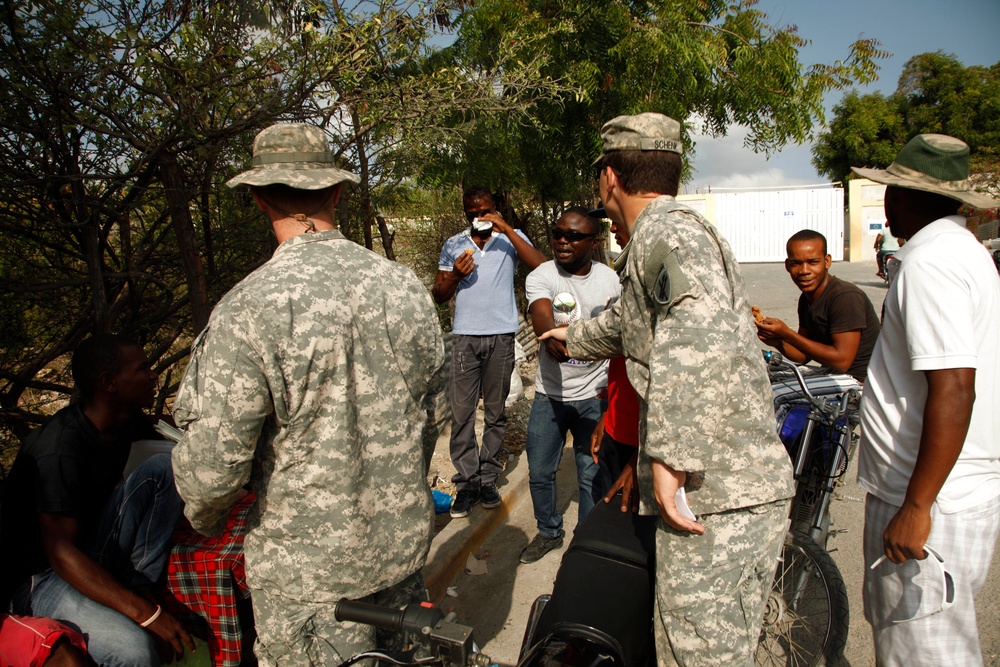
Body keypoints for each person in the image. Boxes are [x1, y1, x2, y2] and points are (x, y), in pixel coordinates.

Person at [170, 123, 445, 666]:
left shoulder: (251, 307)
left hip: (308, 579)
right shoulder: (404, 287)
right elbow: (432, 416)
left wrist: (202, 517)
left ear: (255, 197)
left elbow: (212, 471)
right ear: (337, 192)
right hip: (400, 554)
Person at [541, 113, 794, 665]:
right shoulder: (666, 233)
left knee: (698, 654)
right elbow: (629, 323)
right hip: (724, 489)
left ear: (609, 177)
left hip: (716, 493)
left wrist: (671, 458)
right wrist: (571, 334)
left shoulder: (667, 232)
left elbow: (695, 337)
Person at [851, 134, 1000, 666]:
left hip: (931, 496)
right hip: (948, 488)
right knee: (929, 642)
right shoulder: (961, 250)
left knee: (924, 650)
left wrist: (917, 506)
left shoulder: (931, 261)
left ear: (901, 196)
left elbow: (956, 385)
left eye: (892, 188)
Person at [1, 334, 192, 666]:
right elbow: (60, 553)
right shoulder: (59, 449)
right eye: (142, 368)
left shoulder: (123, 421)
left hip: (91, 551)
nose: (152, 375)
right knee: (135, 652)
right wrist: (146, 614)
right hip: (42, 577)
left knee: (164, 466)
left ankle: (137, 585)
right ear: (109, 382)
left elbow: (171, 432)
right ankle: (134, 603)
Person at [432, 185, 545, 518]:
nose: (478, 218)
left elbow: (539, 266)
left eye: (484, 211)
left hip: (501, 336)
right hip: (466, 337)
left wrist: (506, 227)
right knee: (462, 413)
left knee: (495, 412)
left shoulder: (511, 238)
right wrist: (454, 275)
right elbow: (438, 293)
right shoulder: (454, 244)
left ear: (494, 209)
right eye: (472, 213)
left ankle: (488, 478)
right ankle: (466, 484)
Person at [519, 207, 621, 564]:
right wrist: (549, 337)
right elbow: (542, 315)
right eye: (557, 233)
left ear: (593, 242)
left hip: (595, 394)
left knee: (590, 473)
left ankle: (586, 542)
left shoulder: (610, 280)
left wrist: (612, 401)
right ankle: (548, 531)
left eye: (573, 235)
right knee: (540, 472)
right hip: (551, 395)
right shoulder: (542, 275)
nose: (562, 241)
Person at [755, 229, 880, 382]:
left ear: (827, 261)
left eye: (813, 262)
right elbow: (803, 356)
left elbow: (842, 361)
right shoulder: (806, 298)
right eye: (796, 264)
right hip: (832, 372)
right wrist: (778, 341)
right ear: (787, 265)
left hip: (860, 381)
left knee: (774, 396)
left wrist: (787, 333)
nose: (804, 271)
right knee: (762, 378)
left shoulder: (845, 297)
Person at [589, 213, 641, 513]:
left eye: (617, 217)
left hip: (642, 445)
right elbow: (624, 372)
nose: (613, 228)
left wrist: (639, 460)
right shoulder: (627, 282)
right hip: (616, 431)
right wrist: (607, 418)